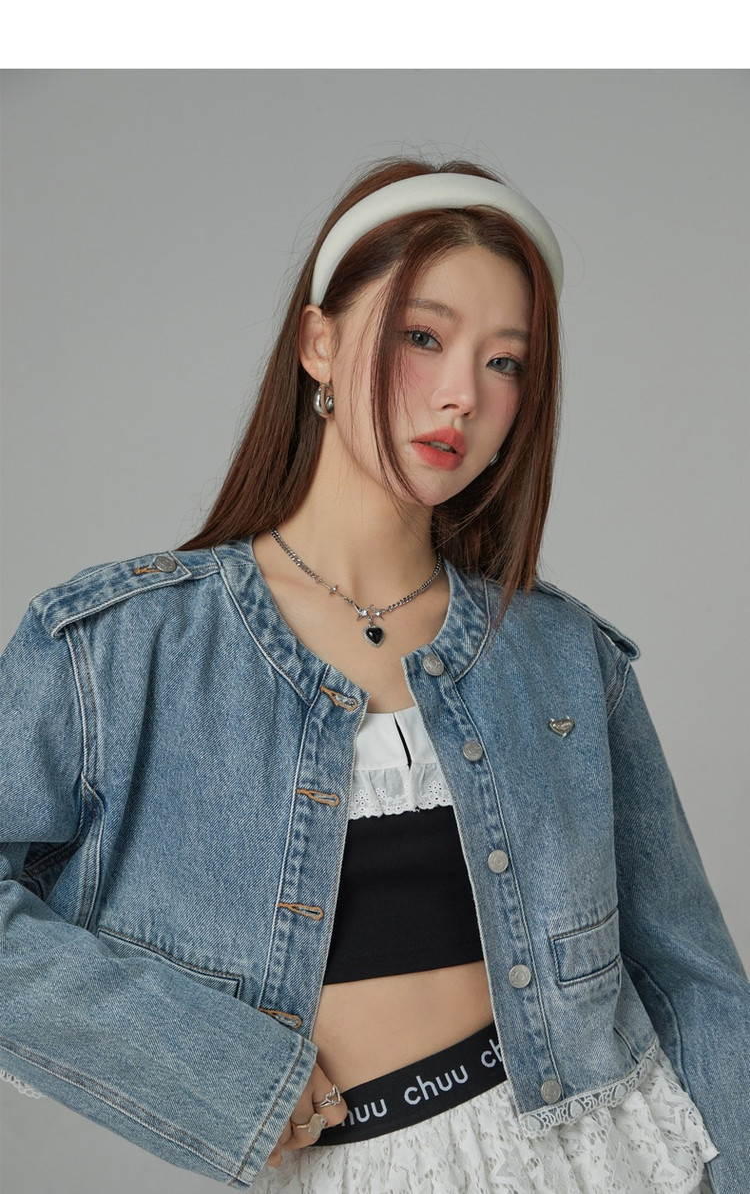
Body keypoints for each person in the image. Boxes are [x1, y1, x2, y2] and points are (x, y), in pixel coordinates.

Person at [1, 157, 748, 1194]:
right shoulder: (122, 648)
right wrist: (209, 1071)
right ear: (319, 343)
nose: (462, 395)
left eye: (506, 362)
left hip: (620, 1152)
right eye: (423, 337)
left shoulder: (560, 655)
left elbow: (692, 978)